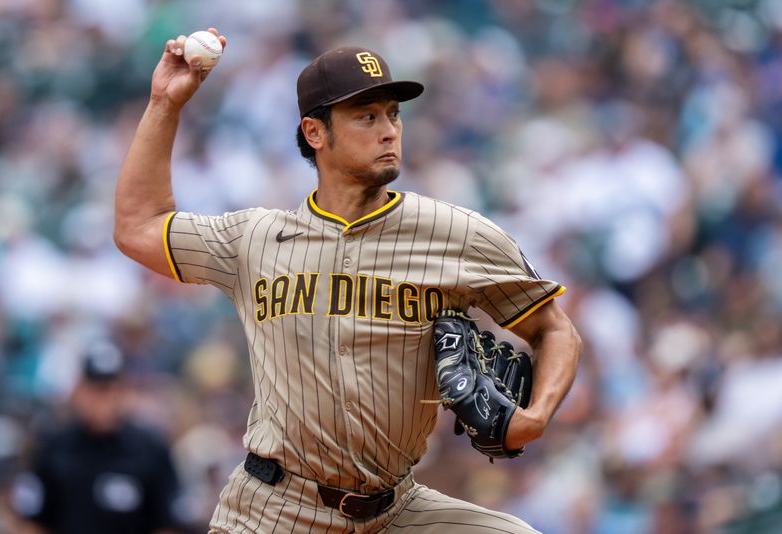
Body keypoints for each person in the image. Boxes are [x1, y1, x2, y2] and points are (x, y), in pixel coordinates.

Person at [114, 28, 582, 533]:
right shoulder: (255, 239)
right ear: (315, 133)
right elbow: (138, 227)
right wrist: (165, 102)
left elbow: (556, 330)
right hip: (275, 510)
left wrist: (533, 418)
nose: (389, 130)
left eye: (393, 114)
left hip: (396, 509)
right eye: (367, 116)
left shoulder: (456, 234)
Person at [11, 342, 184, 534]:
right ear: (79, 390)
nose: (104, 399)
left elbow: (167, 523)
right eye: (96, 389)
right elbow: (31, 520)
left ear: (123, 391)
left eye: (111, 388)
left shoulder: (151, 449)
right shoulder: (53, 447)